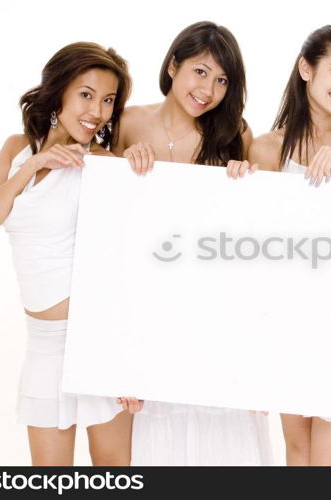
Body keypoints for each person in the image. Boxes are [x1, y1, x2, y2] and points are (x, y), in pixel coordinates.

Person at [229, 24, 331, 466]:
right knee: (298, 453)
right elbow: (255, 250)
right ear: (306, 68)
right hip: (288, 317)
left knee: (330, 462)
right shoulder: (267, 148)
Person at [113, 21, 272, 466]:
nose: (209, 90)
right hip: (147, 304)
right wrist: (120, 161)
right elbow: (107, 219)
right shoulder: (127, 122)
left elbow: (247, 240)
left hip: (214, 307)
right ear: (172, 65)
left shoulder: (233, 133)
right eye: (201, 72)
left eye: (223, 80)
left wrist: (244, 182)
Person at [0, 42, 133, 465]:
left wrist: (129, 358)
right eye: (86, 94)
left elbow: (123, 266)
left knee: (113, 475)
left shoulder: (104, 164)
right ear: (58, 93)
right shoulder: (16, 149)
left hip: (96, 339)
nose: (97, 110)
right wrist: (33, 165)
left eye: (108, 100)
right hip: (42, 345)